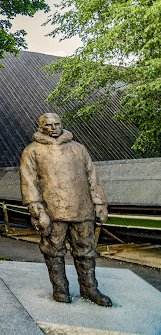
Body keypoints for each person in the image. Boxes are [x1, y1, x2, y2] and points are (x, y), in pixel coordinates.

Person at [20, 113, 112, 306]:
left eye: (57, 124)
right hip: (52, 211)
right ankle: (60, 289)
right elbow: (29, 182)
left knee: (86, 251)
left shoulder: (78, 149)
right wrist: (37, 211)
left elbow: (92, 177)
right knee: (54, 251)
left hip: (82, 209)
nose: (53, 127)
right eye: (48, 125)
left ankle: (90, 288)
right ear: (40, 127)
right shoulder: (32, 151)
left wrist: (100, 203)